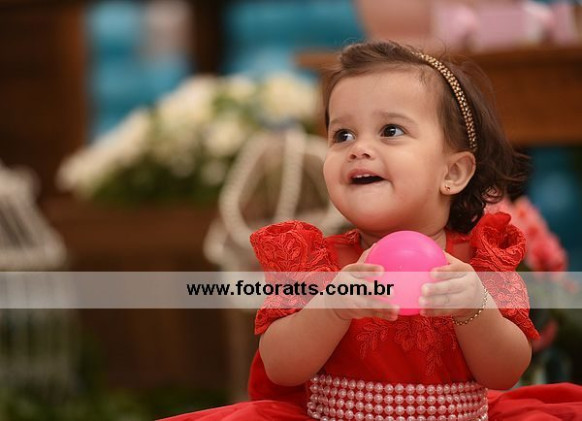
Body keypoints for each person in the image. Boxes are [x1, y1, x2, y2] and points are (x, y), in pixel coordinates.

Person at [159, 41, 582, 421]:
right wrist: (332, 308)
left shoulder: (479, 262)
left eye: (390, 131)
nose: (359, 148)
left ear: (452, 172)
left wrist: (475, 309)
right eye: (342, 134)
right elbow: (280, 367)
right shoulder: (316, 262)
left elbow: (506, 372)